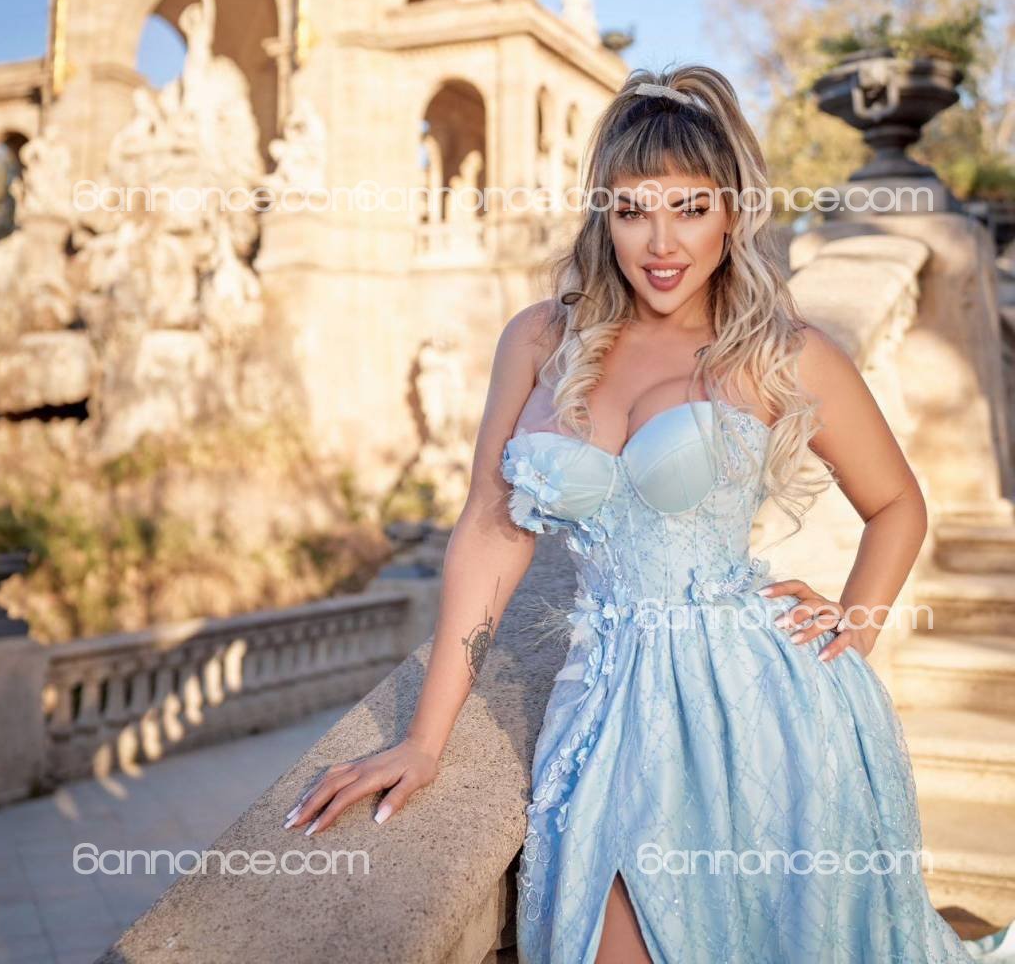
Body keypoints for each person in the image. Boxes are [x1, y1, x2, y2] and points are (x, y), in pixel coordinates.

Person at [281, 65, 1015, 963]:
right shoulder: (541, 339)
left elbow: (897, 503)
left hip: (762, 708)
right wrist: (424, 742)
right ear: (605, 217)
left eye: (689, 208)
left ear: (732, 212)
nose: (660, 242)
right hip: (603, 706)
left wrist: (853, 626)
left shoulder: (781, 352)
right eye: (632, 211)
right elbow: (489, 530)